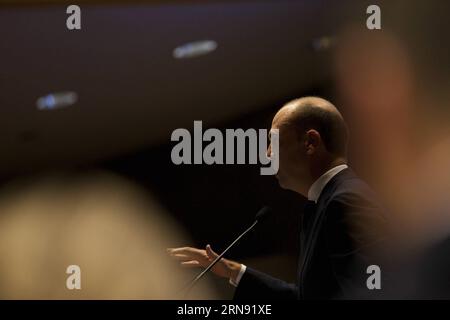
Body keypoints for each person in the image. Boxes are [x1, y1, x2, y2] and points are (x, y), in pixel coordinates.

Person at [168, 96, 388, 299]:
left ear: (310, 142)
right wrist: (232, 270)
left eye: (274, 141)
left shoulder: (348, 201)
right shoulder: (327, 203)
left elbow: (375, 293)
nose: (267, 154)